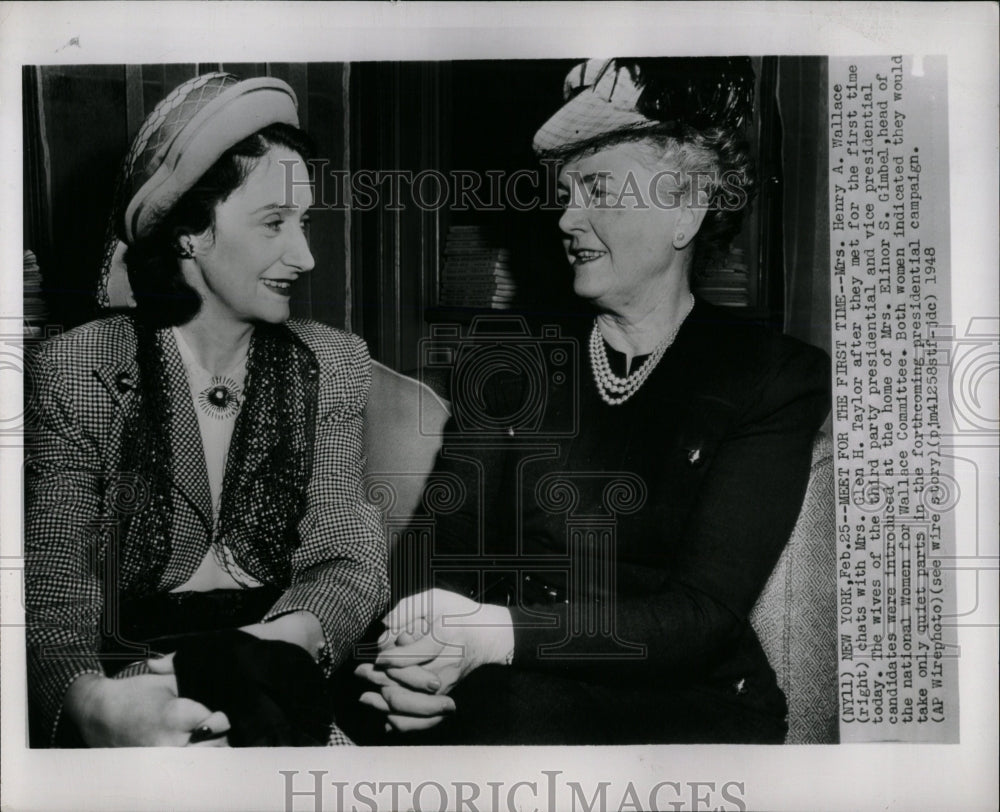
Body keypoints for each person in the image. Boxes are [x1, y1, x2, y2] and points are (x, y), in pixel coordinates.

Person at [347, 57, 831, 744]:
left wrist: (493, 634)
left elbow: (700, 616)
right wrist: (404, 667)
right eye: (567, 192)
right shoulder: (512, 365)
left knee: (516, 715)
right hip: (509, 684)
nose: (567, 217)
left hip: (679, 705)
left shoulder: (770, 377)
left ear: (685, 209)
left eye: (599, 189)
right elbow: (433, 555)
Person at [25, 72, 387, 747]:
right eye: (274, 222)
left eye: (303, 222)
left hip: (288, 660)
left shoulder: (331, 364)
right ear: (189, 229)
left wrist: (276, 647)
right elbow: (51, 601)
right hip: (138, 685)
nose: (305, 255)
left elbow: (348, 555)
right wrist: (96, 709)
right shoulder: (78, 370)